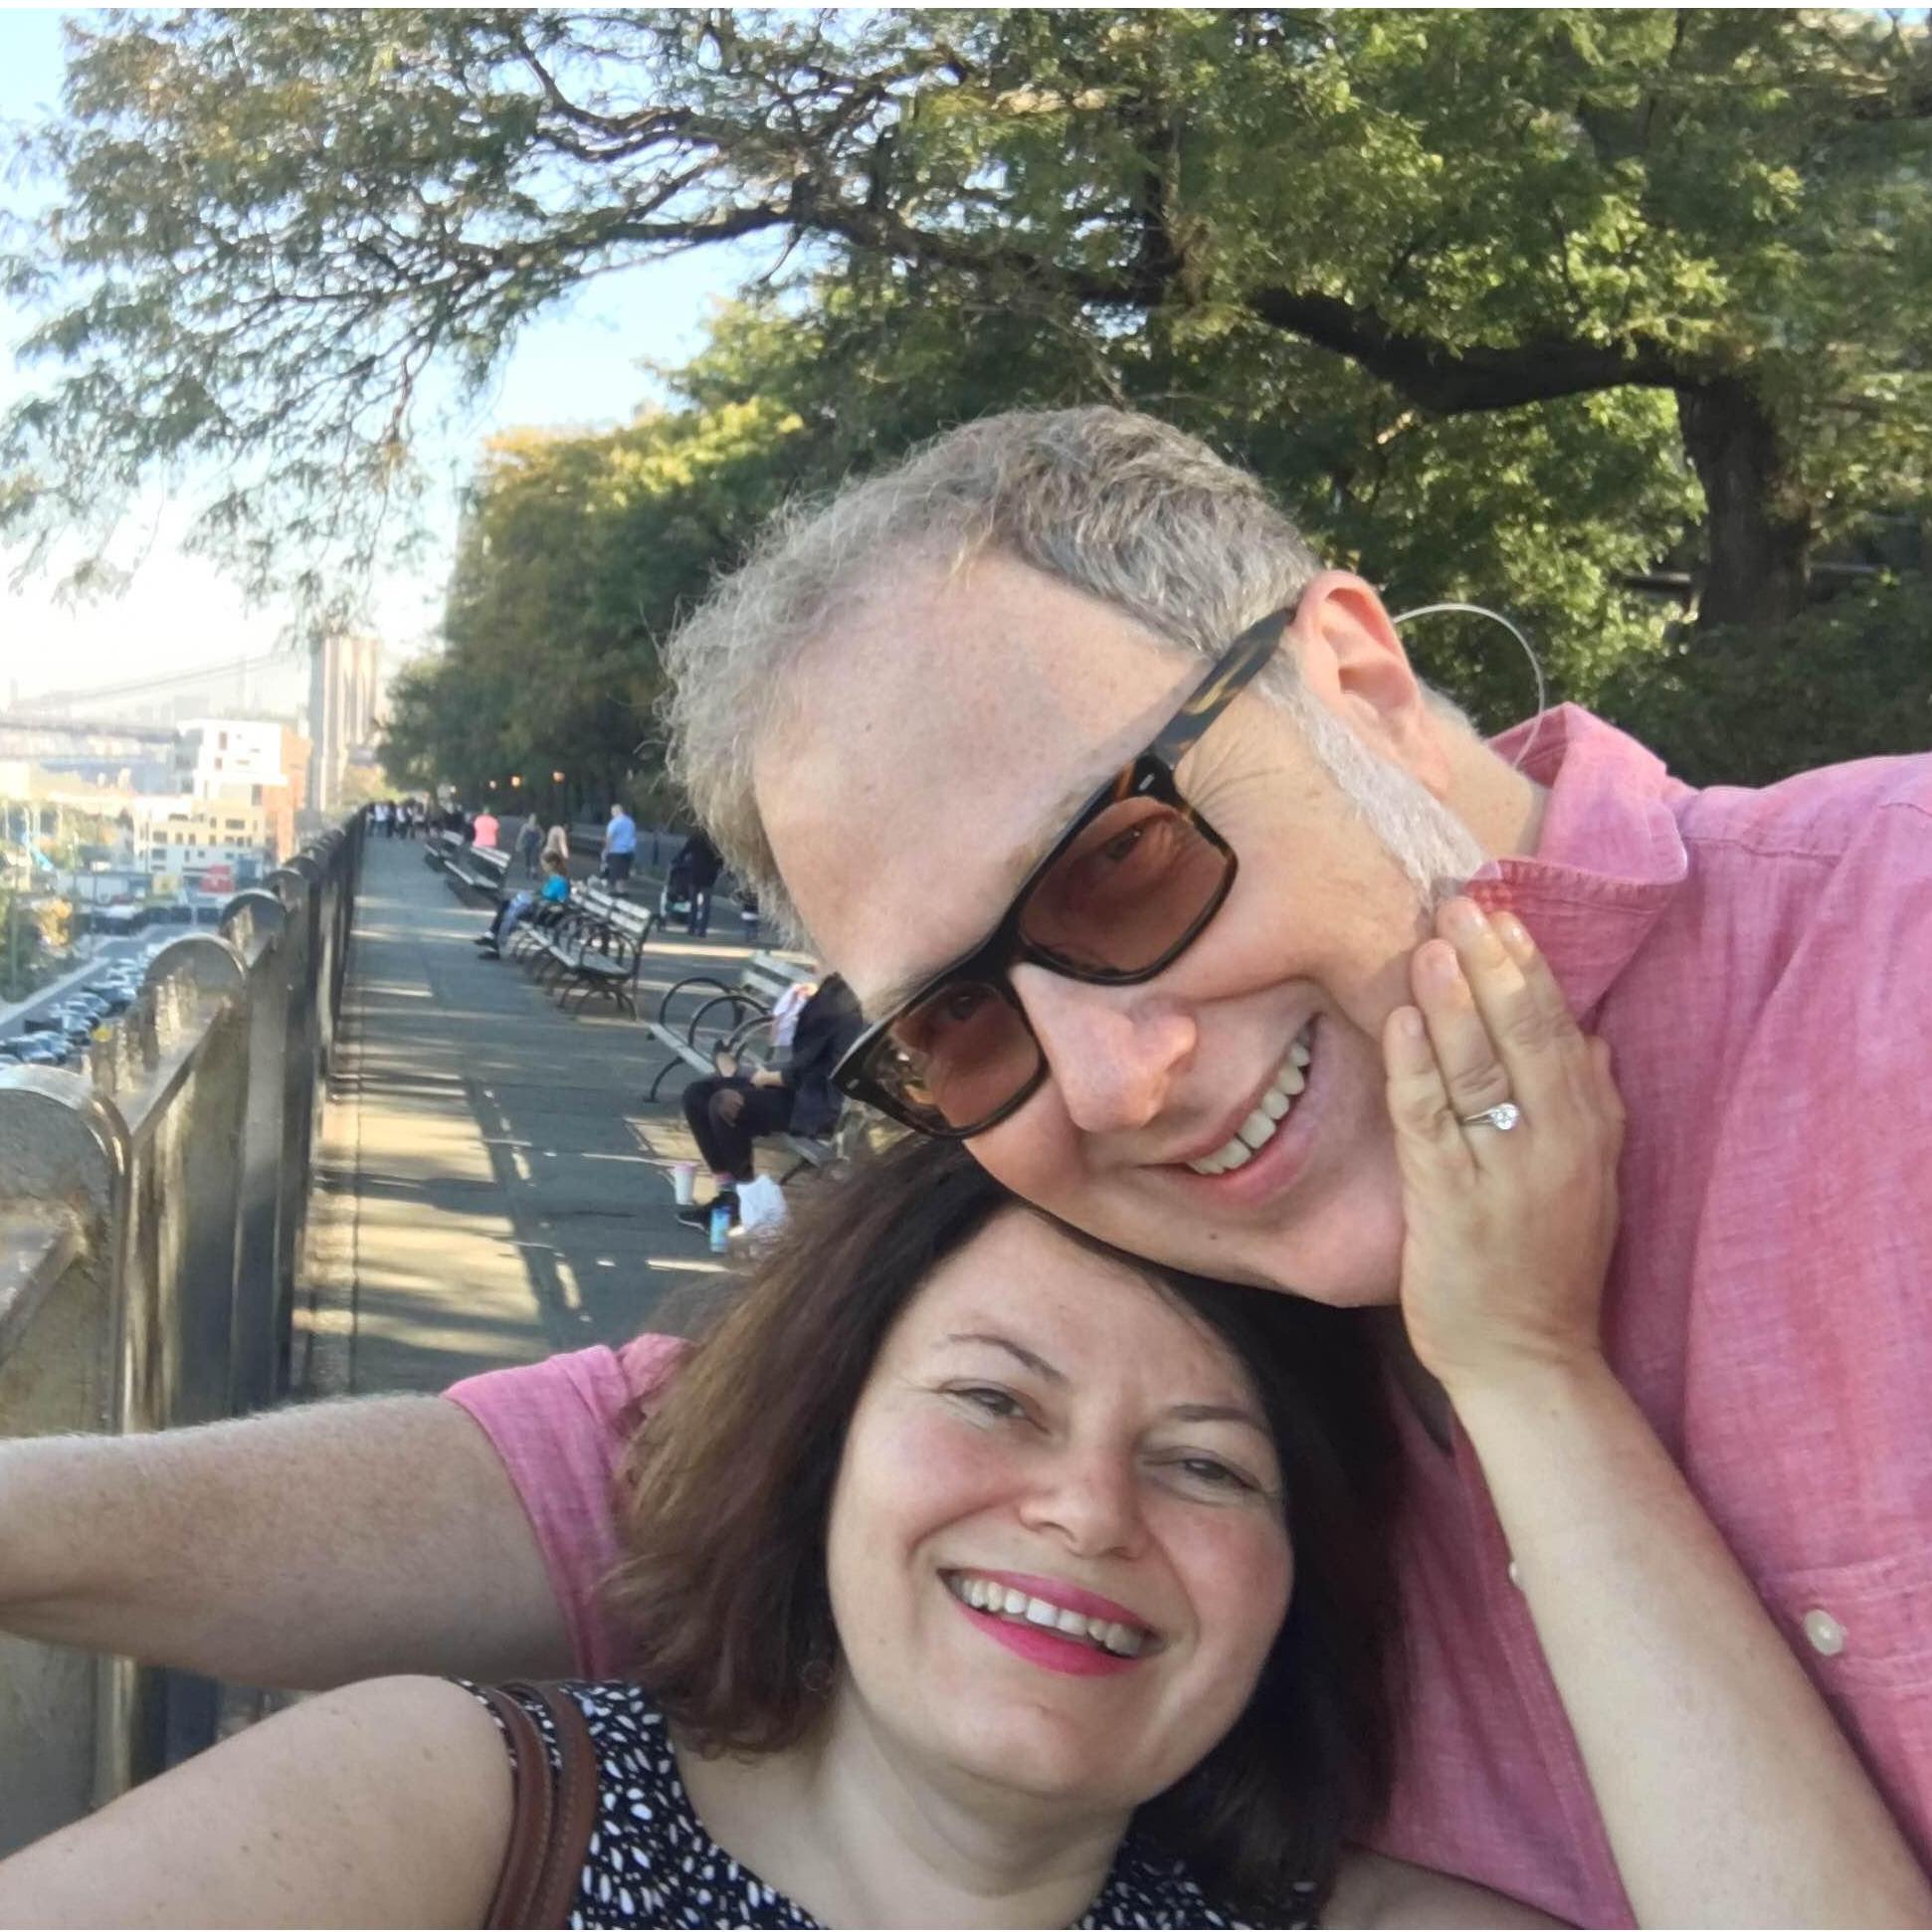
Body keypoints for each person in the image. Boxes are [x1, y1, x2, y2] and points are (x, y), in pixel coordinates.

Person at [1, 409, 1926, 1920]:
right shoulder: (1128, 1218)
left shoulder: (1888, 969)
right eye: (955, 1022)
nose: (1122, 1073)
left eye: (1123, 863)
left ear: (1347, 675)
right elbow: (639, 1469)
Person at [7, 978, 1926, 1928]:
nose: (1087, 1510)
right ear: (819, 1447)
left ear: (1289, 1587)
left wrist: (1523, 1369)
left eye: (1206, 1464)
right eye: (994, 1401)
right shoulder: (474, 1812)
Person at [675, 975, 863, 1229]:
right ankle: (728, 1191)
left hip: (817, 1104)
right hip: (797, 1088)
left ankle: (746, 1197)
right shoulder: (832, 988)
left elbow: (814, 1072)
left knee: (725, 1104)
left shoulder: (846, 1000)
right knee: (696, 1095)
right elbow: (794, 1048)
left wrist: (768, 1077)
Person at [475, 853, 570, 959]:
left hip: (546, 916)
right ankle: (492, 938)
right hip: (538, 911)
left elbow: (562, 906)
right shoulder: (552, 880)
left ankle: (492, 941)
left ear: (553, 864)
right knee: (506, 904)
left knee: (509, 909)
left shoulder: (561, 883)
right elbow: (543, 896)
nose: (542, 867)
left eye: (544, 864)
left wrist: (545, 905)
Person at [677, 826, 723, 936]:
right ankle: (702, 930)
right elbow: (720, 859)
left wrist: (679, 861)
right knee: (706, 905)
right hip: (709, 876)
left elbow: (684, 851)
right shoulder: (715, 841)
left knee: (693, 904)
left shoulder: (695, 838)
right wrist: (718, 868)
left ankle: (691, 928)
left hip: (695, 874)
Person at [601, 801, 638, 891]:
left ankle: (617, 893)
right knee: (623, 874)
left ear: (615, 812)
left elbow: (609, 838)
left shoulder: (614, 823)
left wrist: (605, 850)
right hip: (629, 851)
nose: (612, 814)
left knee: (615, 874)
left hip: (616, 851)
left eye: (612, 812)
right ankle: (621, 890)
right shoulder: (630, 822)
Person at [514, 812, 543, 879]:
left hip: (535, 845)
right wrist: (518, 844)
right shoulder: (525, 826)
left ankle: (534, 873)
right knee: (528, 858)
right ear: (529, 819)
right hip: (527, 845)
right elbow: (521, 836)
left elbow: (543, 835)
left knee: (533, 858)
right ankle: (527, 870)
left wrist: (540, 841)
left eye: (534, 818)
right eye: (532, 818)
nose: (533, 819)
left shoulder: (537, 827)